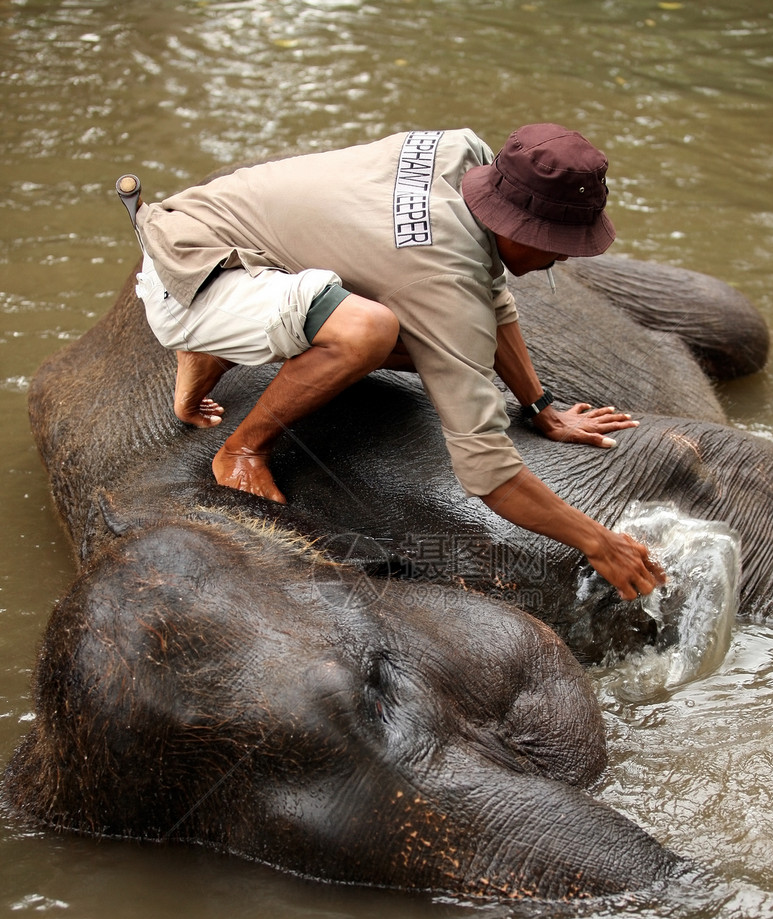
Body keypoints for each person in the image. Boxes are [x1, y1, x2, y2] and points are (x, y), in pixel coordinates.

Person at [134, 123, 665, 600]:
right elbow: (488, 472)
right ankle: (243, 446)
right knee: (368, 332)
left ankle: (220, 342)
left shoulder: (467, 152)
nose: (565, 256)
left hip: (227, 233)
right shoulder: (439, 279)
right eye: (560, 243)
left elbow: (491, 290)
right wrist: (599, 543)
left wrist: (541, 405)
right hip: (192, 268)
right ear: (517, 226)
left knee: (437, 341)